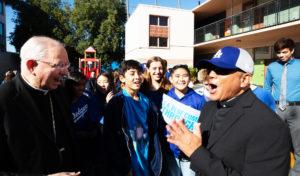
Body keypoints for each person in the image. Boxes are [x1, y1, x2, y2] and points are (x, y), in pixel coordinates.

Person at [166, 46, 291, 176]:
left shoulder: (270, 125)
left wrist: (196, 152)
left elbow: (200, 156)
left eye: (221, 70)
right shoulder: (208, 108)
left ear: (244, 80)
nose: (210, 75)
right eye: (209, 70)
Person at [0, 36, 80, 176]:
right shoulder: (4, 99)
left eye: (67, 65)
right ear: (32, 66)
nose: (66, 72)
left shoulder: (60, 93)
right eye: (59, 65)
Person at [103, 60, 162, 176]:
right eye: (132, 73)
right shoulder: (116, 103)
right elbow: (109, 137)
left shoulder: (147, 101)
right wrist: (123, 167)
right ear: (122, 78)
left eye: (140, 73)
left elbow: (152, 132)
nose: (137, 77)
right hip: (126, 165)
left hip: (146, 163)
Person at [264, 37, 300, 175]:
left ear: (292, 51)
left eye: (284, 52)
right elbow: (267, 88)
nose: (281, 55)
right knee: (276, 143)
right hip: (276, 109)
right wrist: (268, 108)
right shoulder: (272, 67)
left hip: (297, 109)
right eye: (278, 52)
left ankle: (296, 173)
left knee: (298, 146)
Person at [167, 65, 206, 176]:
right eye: (177, 76)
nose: (181, 79)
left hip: (189, 154)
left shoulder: (198, 99)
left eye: (185, 76)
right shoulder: (166, 97)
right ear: (171, 79)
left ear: (189, 78)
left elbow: (203, 125)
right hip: (170, 153)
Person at [140, 56, 172, 175]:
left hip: (166, 137)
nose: (157, 71)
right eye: (154, 68)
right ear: (147, 69)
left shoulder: (170, 89)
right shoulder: (142, 89)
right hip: (148, 136)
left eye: (160, 68)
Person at [64, 71, 99, 176]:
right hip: (72, 149)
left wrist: (94, 130)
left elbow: (94, 116)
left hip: (88, 146)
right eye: (78, 85)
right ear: (70, 86)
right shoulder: (64, 103)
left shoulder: (86, 97)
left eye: (84, 84)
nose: (82, 88)